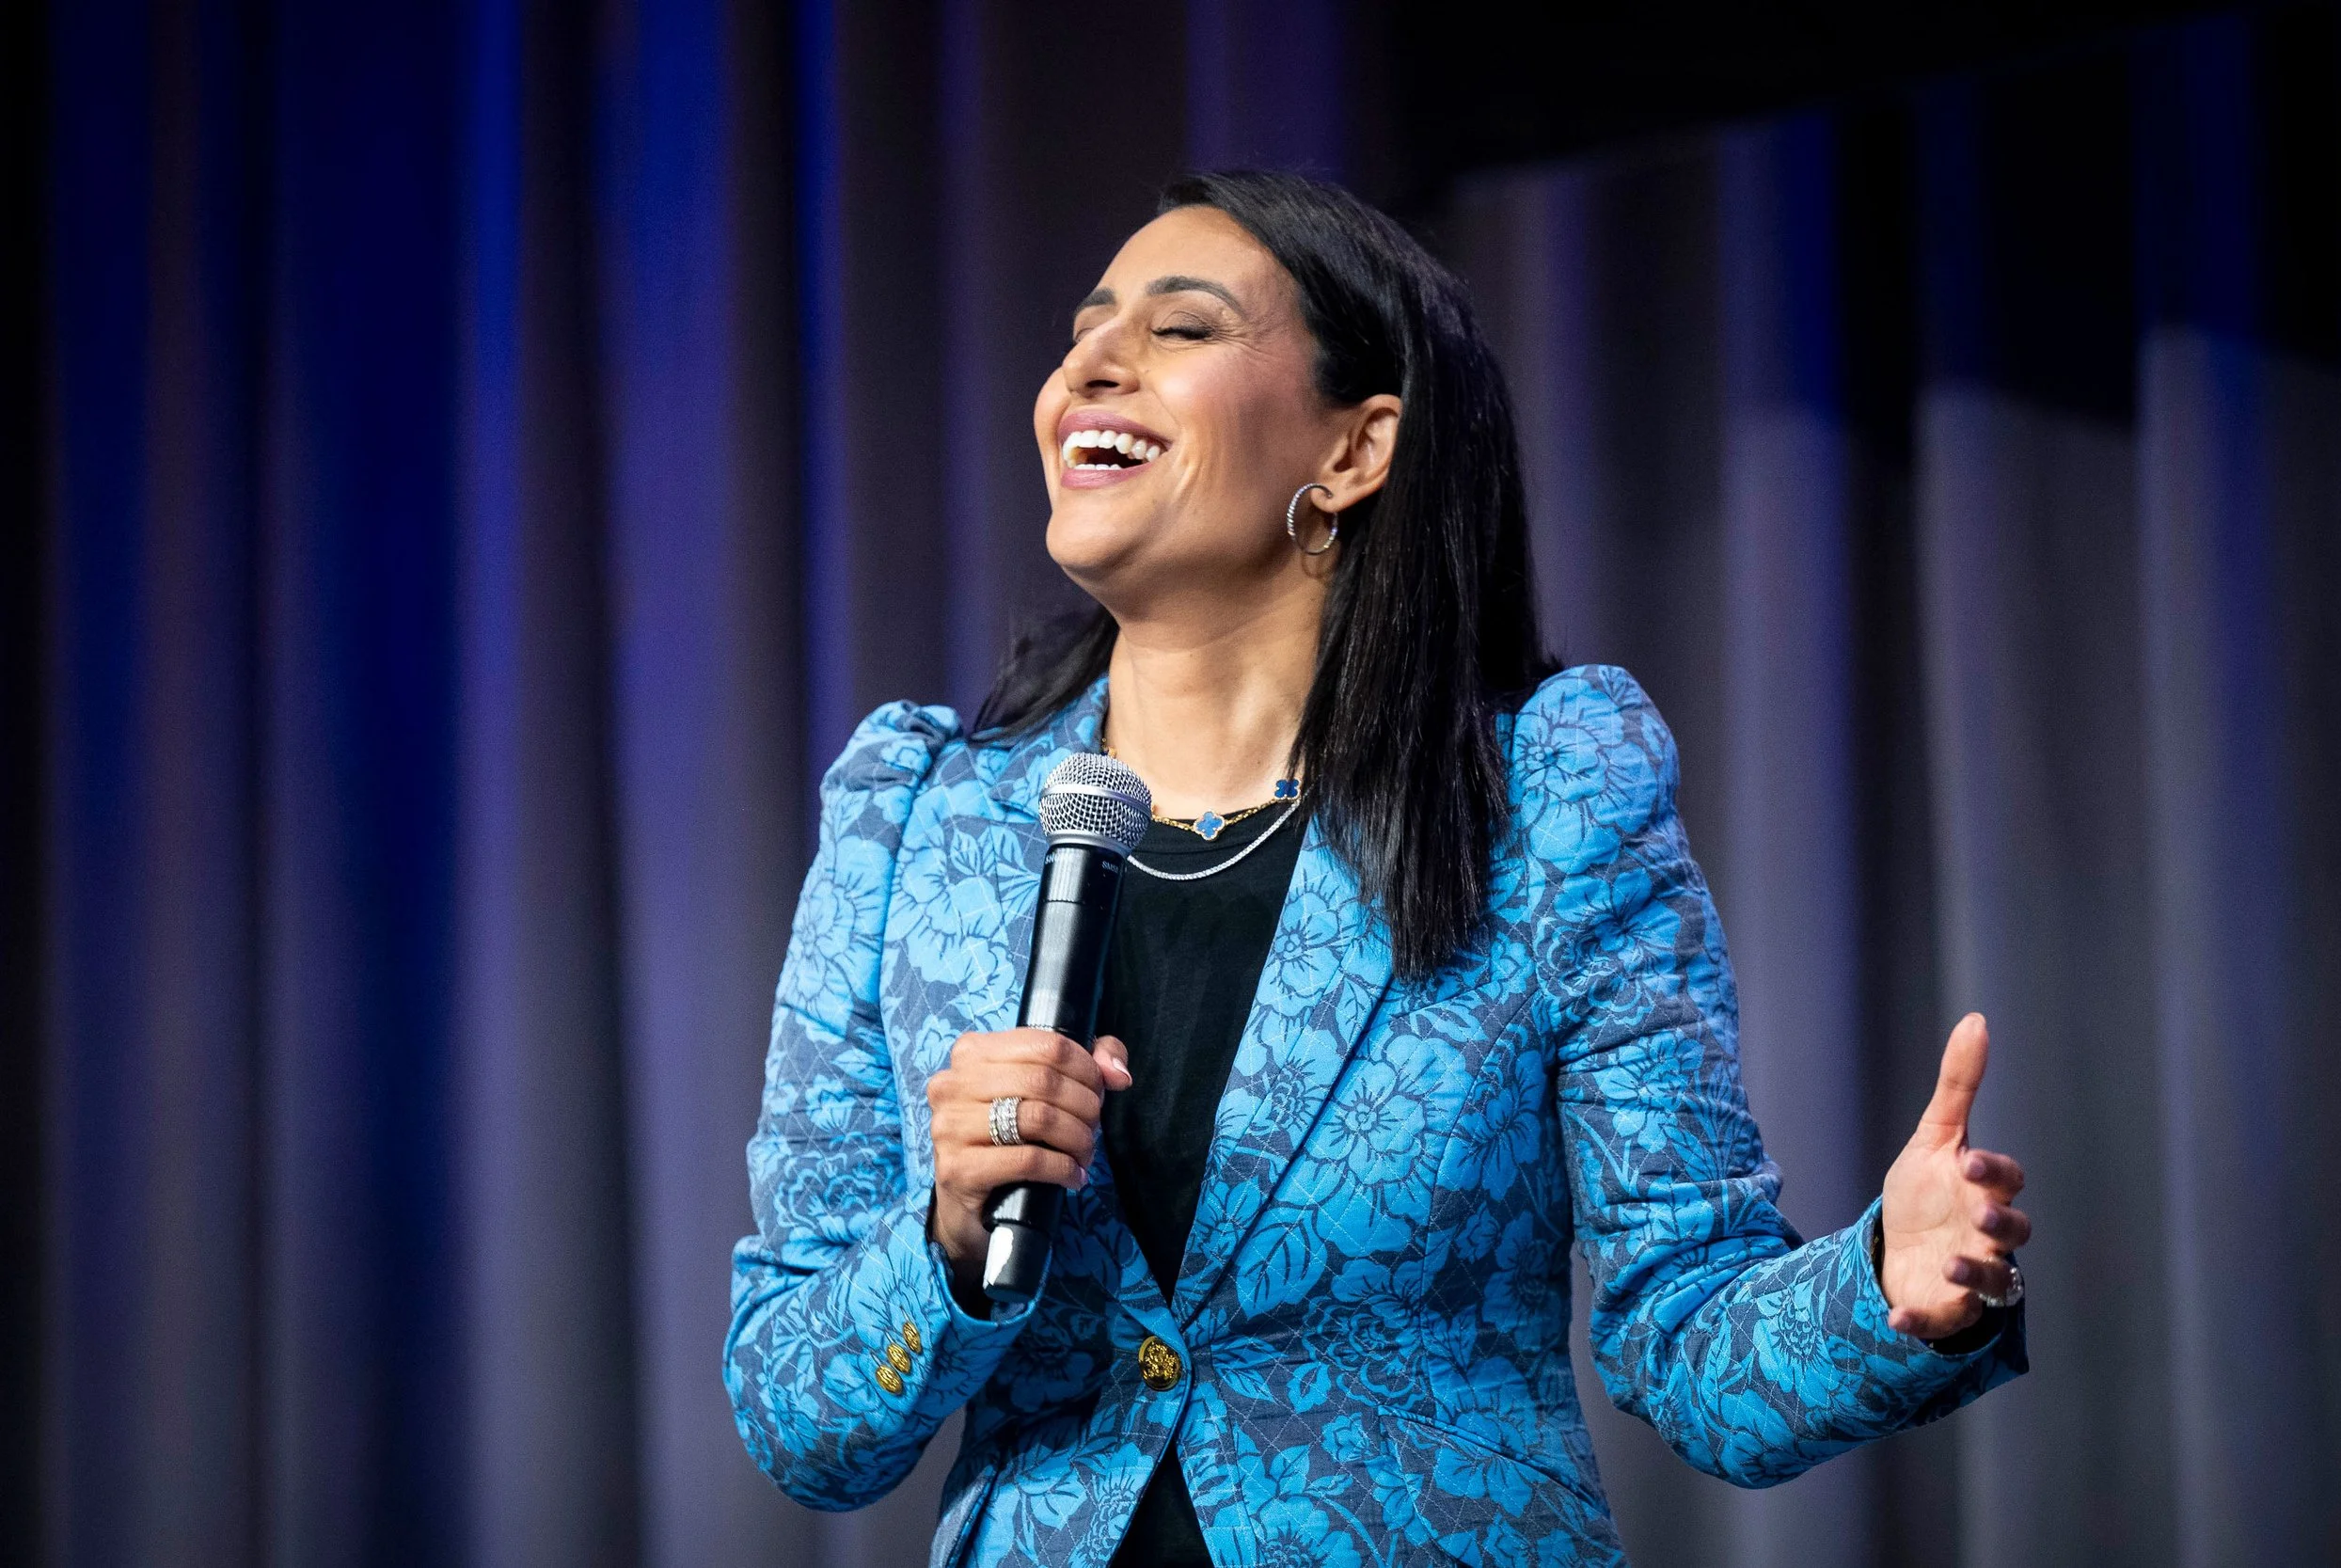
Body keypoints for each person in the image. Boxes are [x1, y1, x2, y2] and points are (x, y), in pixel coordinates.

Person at [725, 169, 2028, 1567]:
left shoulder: (1546, 795)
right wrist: (944, 1233)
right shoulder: (912, 819)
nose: (1088, 367)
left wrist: (1883, 1290)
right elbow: (800, 1422)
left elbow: (1689, 1332)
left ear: (1355, 449)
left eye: (1179, 328)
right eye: (1084, 330)